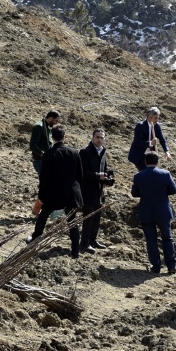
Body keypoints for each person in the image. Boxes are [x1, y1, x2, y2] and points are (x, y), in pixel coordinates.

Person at [31, 126, 84, 257]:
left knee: (42, 218)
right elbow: (80, 175)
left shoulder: (49, 154)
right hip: (71, 193)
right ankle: (75, 250)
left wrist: (41, 196)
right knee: (72, 221)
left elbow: (44, 179)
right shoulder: (74, 152)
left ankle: (33, 245)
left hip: (54, 194)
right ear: (64, 137)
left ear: (52, 137)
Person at [131, 151, 176, 273]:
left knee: (151, 240)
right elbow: (174, 190)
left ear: (145, 162)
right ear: (157, 162)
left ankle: (156, 266)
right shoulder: (165, 174)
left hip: (146, 211)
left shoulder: (138, 176)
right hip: (163, 211)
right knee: (167, 238)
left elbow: (134, 193)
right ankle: (171, 266)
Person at [78, 128, 115, 251]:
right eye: (97, 137)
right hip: (87, 190)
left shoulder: (103, 152)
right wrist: (97, 175)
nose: (99, 139)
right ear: (93, 138)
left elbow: (105, 169)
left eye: (102, 137)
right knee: (88, 218)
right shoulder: (85, 151)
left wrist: (107, 177)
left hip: (99, 191)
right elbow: (82, 172)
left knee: (97, 217)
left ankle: (93, 240)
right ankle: (84, 243)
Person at [29, 109, 59, 175]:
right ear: (51, 118)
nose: (56, 123)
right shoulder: (39, 126)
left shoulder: (47, 126)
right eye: (55, 120)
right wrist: (43, 154)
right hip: (40, 160)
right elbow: (33, 145)